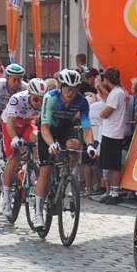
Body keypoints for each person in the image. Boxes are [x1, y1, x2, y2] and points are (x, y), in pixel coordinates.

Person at [35, 69, 96, 229]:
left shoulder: (81, 101)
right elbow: (44, 127)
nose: (71, 92)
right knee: (46, 172)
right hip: (47, 130)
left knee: (76, 146)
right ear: (60, 86)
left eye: (75, 89)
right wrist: (51, 144)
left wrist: (90, 145)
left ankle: (66, 175)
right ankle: (38, 214)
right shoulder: (51, 97)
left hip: (64, 128)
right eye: (67, 88)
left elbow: (87, 127)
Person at [0, 79, 47, 217]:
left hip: (27, 125)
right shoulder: (17, 99)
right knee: (13, 162)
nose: (39, 102)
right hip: (11, 126)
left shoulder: (45, 101)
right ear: (30, 95)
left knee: (37, 138)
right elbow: (10, 123)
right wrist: (15, 138)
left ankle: (34, 168)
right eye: (36, 99)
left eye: (42, 99)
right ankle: (6, 199)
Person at [97, 67, 128, 205]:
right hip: (110, 132)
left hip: (113, 133)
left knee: (114, 165)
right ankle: (112, 192)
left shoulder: (117, 93)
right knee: (109, 164)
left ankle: (115, 192)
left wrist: (102, 113)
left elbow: (105, 112)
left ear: (108, 78)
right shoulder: (116, 92)